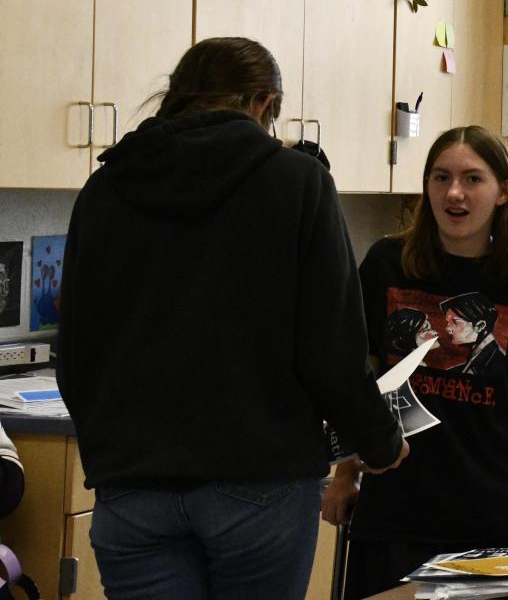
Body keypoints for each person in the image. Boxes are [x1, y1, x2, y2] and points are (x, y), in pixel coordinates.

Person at [55, 37, 408, 600]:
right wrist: (380, 440)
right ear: (264, 103)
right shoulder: (298, 182)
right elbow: (331, 350)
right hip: (260, 481)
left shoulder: (107, 187)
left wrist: (113, 452)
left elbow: (74, 347)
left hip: (133, 483)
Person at [323, 125, 508, 597]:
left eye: (473, 179)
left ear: (504, 192)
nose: (454, 193)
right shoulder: (386, 263)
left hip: (492, 511)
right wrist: (344, 473)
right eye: (441, 177)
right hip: (395, 507)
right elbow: (357, 380)